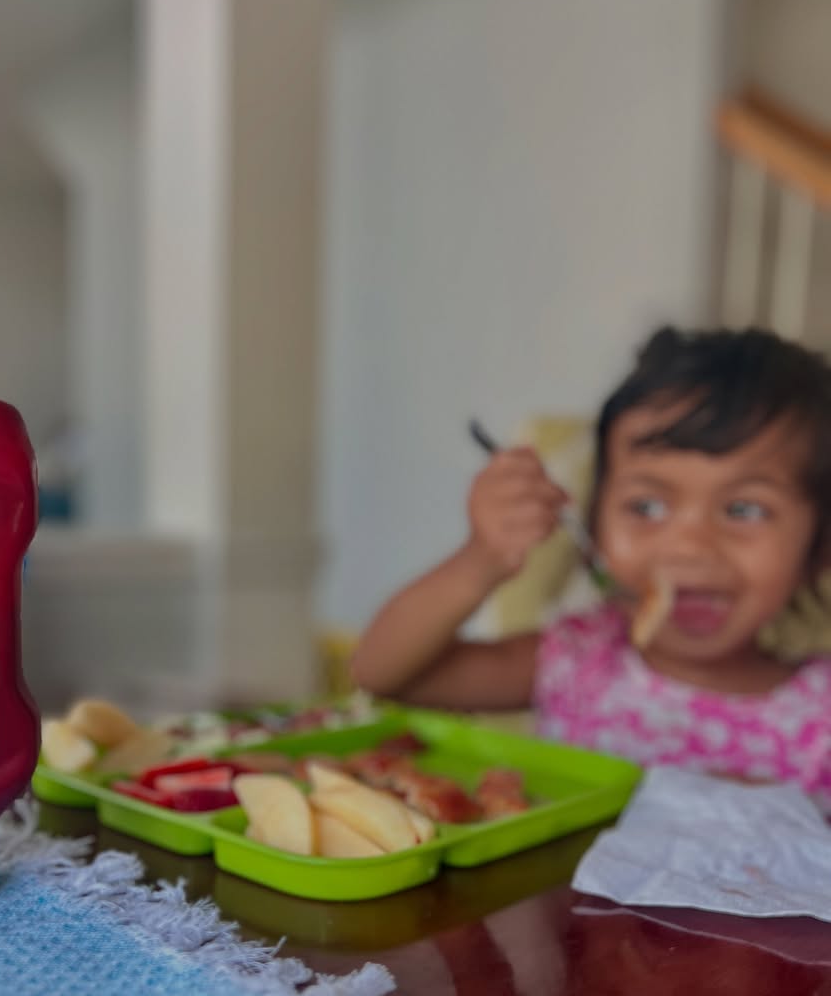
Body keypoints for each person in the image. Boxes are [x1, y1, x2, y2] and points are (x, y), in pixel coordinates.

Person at [352, 327, 831, 804]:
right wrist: (480, 560)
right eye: (646, 506)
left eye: (744, 510)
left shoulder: (821, 715)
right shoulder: (579, 662)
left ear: (820, 547)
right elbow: (386, 673)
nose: (688, 546)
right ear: (594, 522)